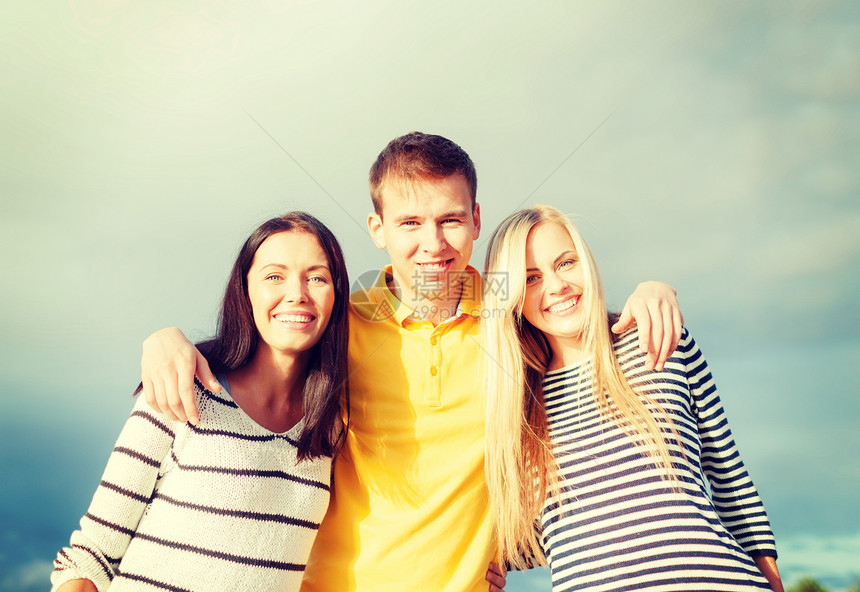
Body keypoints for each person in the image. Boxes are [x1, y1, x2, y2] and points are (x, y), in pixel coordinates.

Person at [139, 132, 684, 591]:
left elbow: (572, 312)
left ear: (475, 221)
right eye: (409, 223)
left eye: (450, 220)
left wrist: (652, 292)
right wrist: (166, 338)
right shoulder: (339, 326)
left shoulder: (511, 321)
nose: (433, 243)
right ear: (378, 230)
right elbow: (256, 345)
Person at [481, 205, 783, 592]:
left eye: (566, 263)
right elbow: (548, 534)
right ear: (513, 298)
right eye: (531, 278)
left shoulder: (656, 341)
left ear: (586, 263)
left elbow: (729, 478)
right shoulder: (517, 405)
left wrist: (772, 580)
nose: (556, 286)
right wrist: (490, 564)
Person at [51, 212, 350, 592]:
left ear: (337, 294)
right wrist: (161, 337)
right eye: (275, 276)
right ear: (245, 291)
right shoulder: (180, 389)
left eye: (317, 277)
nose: (297, 293)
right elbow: (91, 557)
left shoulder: (332, 424)